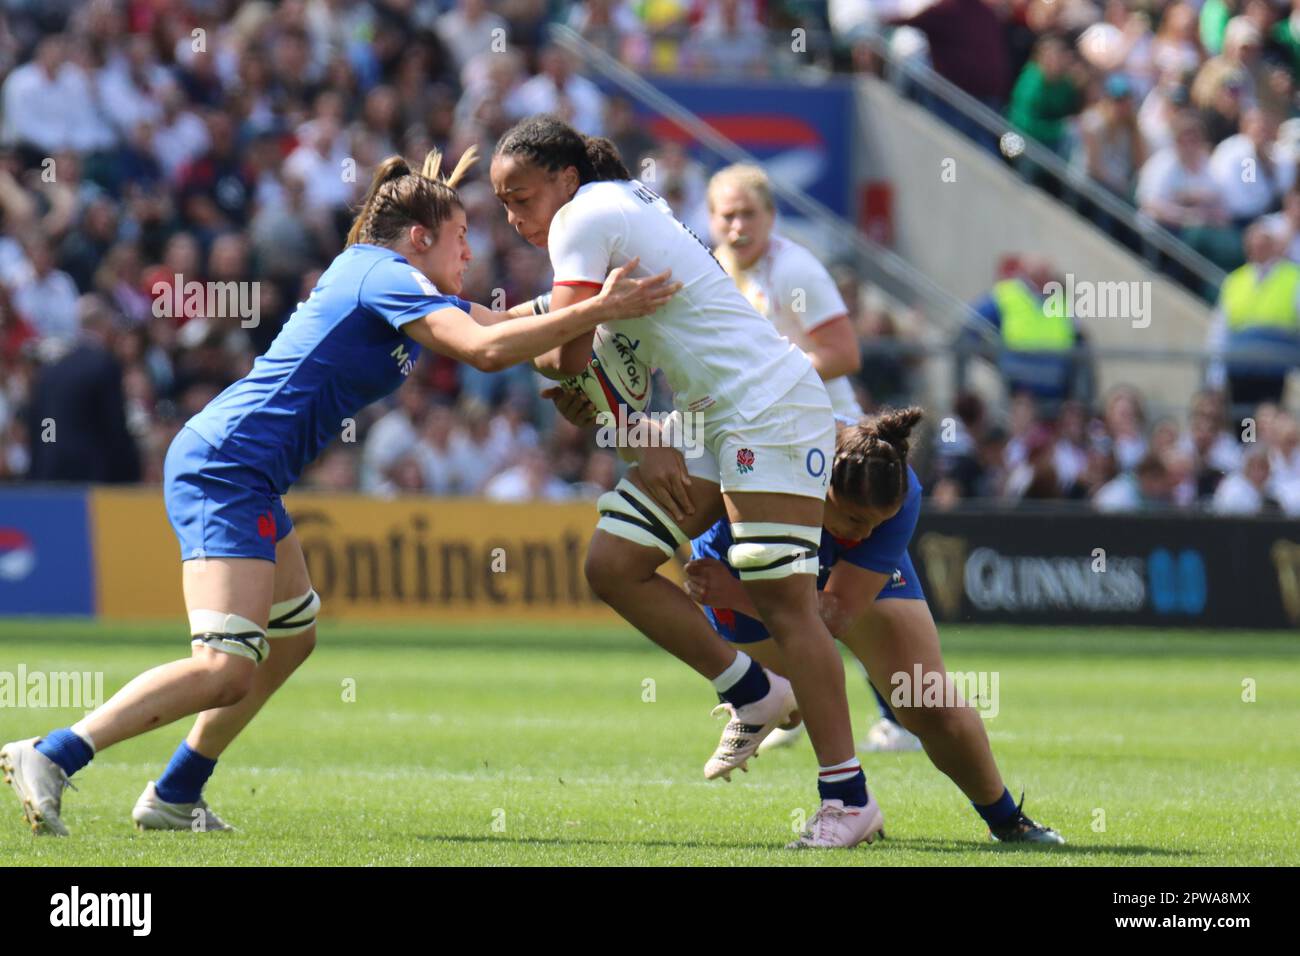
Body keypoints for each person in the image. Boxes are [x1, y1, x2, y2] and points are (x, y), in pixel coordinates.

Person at [1, 146, 677, 836]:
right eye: (462, 239)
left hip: (248, 474)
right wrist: (597, 308)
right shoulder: (381, 276)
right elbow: (485, 352)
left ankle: (175, 793)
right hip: (224, 468)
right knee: (225, 667)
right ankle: (52, 754)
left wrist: (592, 299)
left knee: (292, 638)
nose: (472, 254)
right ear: (420, 239)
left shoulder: (399, 284)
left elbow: (507, 327)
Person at [496, 114, 873, 847]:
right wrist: (625, 426)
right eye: (505, 205)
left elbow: (567, 356)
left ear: (564, 180)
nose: (515, 218)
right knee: (614, 564)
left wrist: (499, 340)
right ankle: (755, 692)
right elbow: (588, 343)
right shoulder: (616, 210)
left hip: (765, 408)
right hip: (713, 416)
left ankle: (848, 798)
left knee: (786, 606)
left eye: (522, 197)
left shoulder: (583, 215)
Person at [685, 408, 1065, 844]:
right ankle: (842, 789)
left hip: (752, 588)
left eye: (876, 524)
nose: (864, 536)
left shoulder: (899, 493)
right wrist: (728, 591)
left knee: (924, 698)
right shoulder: (774, 475)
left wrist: (733, 595)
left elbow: (837, 614)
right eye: (854, 520)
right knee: (787, 712)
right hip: (740, 567)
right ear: (822, 485)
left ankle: (1006, 820)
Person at [705, 163, 918, 752]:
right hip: (772, 445)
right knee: (782, 580)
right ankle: (783, 694)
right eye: (726, 213)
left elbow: (844, 352)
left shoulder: (795, 268)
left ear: (771, 217)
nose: (737, 224)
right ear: (710, 218)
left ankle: (899, 718)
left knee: (846, 596)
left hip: (831, 444)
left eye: (748, 213)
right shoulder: (718, 269)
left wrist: (766, 377)